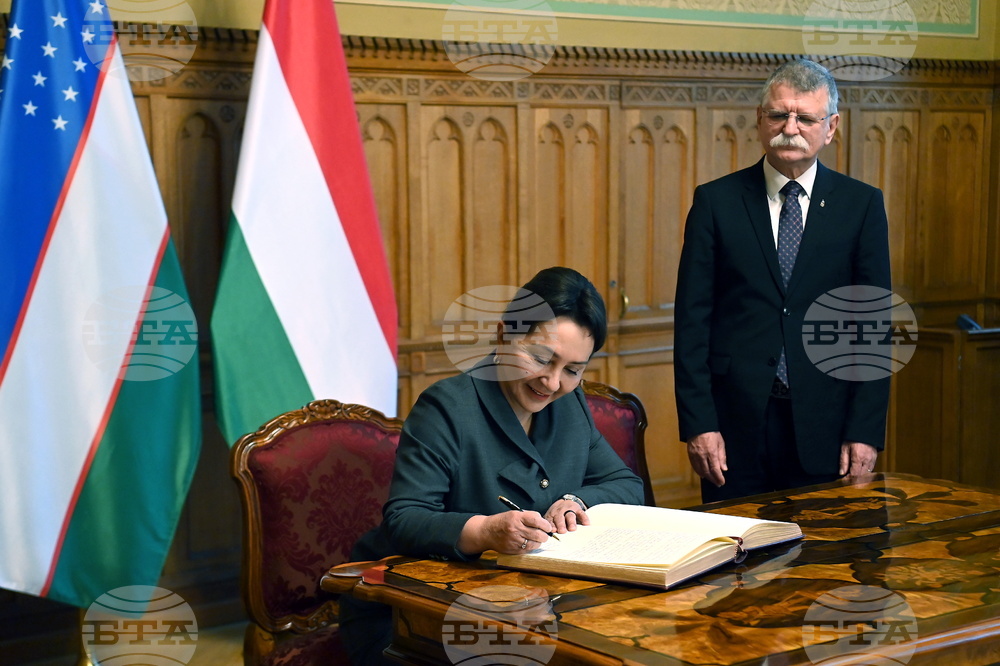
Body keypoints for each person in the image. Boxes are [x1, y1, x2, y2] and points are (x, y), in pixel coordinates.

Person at [341, 266, 645, 664]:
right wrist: (486, 530)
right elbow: (406, 518)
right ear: (505, 335)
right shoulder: (447, 407)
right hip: (413, 611)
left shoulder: (571, 407)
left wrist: (576, 500)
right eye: (541, 358)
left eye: (572, 370)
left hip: (529, 605)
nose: (552, 384)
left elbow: (626, 484)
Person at [674, 59, 891, 504]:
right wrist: (699, 423)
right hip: (734, 428)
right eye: (778, 114)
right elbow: (692, 322)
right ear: (760, 120)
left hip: (827, 425)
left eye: (805, 118)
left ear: (830, 128)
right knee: (735, 563)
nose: (789, 127)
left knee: (825, 564)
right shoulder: (715, 202)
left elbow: (872, 328)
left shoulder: (862, 205)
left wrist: (865, 431)